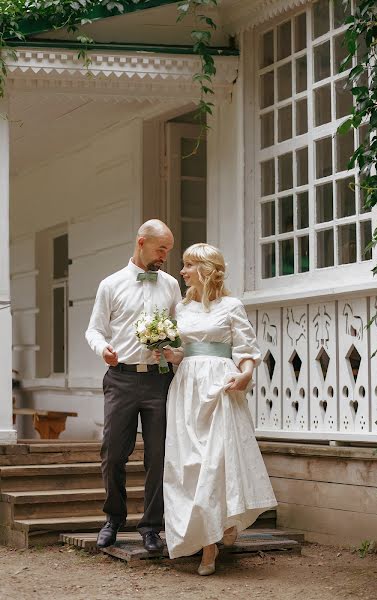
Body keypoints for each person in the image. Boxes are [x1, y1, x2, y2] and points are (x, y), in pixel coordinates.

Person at [156, 243, 277, 575]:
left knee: (216, 463)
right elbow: (184, 352)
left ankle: (211, 546)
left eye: (187, 266)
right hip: (186, 389)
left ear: (204, 270)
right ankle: (208, 534)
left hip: (221, 386)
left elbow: (247, 348)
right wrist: (169, 354)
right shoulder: (181, 309)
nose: (181, 272)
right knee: (189, 464)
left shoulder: (231, 306)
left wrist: (246, 374)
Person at [85, 220, 181, 551]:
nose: (165, 256)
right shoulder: (110, 285)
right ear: (141, 243)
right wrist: (103, 350)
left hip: (160, 379)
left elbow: (180, 328)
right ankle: (113, 519)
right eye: (161, 249)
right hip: (121, 378)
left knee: (159, 455)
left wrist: (174, 348)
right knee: (112, 452)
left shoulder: (170, 285)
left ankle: (152, 527)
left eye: (168, 250)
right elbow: (94, 330)